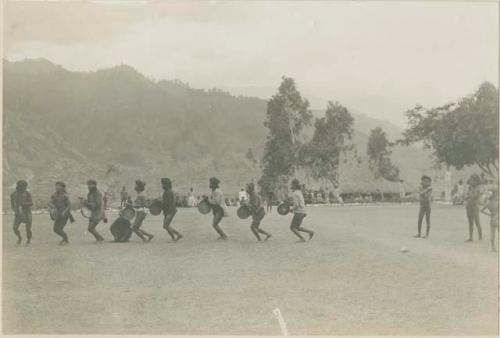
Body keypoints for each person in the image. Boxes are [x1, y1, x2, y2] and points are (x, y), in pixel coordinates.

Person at [10, 180, 33, 245]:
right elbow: (12, 205)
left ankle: (28, 240)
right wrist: (15, 210)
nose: (24, 188)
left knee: (28, 228)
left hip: (27, 213)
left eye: (25, 187)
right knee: (15, 228)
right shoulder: (13, 194)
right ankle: (19, 238)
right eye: (23, 187)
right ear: (19, 186)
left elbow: (31, 203)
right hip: (18, 213)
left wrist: (23, 204)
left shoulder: (27, 193)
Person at [161, 178, 182, 242]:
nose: (162, 186)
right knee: (166, 225)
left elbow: (167, 202)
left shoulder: (169, 192)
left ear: (166, 185)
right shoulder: (167, 191)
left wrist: (160, 202)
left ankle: (176, 236)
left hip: (170, 210)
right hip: (168, 210)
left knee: (165, 225)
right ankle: (176, 236)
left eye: (163, 184)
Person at [465, 174, 482, 242]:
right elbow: (465, 195)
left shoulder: (477, 189)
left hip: (475, 206)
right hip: (469, 206)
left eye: (472, 180)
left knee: (477, 222)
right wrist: (468, 196)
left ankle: (480, 237)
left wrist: (468, 196)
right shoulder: (470, 188)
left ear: (476, 181)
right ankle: (470, 237)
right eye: (470, 180)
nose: (471, 182)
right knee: (470, 222)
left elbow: (474, 197)